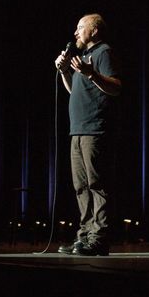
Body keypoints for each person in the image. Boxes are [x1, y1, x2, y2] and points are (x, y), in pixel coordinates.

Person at [54, 13, 122, 256]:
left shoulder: (103, 52)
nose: (75, 33)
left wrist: (92, 73)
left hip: (95, 129)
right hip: (78, 130)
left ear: (94, 31)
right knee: (81, 186)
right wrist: (64, 72)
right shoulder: (81, 58)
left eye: (80, 28)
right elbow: (74, 90)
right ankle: (84, 236)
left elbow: (116, 86)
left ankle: (99, 237)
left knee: (96, 185)